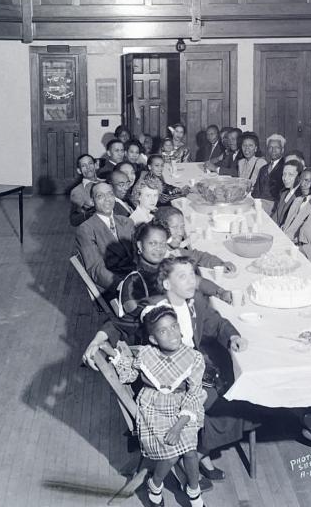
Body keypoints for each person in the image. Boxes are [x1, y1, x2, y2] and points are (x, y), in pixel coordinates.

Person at [83, 256, 255, 484]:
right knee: (239, 400)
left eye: (192, 275)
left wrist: (232, 336)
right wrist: (97, 340)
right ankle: (198, 452)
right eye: (182, 277)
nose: (191, 282)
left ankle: (201, 450)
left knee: (241, 391)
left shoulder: (196, 301)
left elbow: (217, 322)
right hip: (166, 386)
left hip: (191, 369)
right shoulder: (153, 308)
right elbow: (117, 325)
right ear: (166, 284)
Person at [103, 305, 207, 507]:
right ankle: (155, 485)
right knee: (172, 454)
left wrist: (178, 426)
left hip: (183, 409)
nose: (172, 333)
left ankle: (194, 492)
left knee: (190, 452)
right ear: (153, 339)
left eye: (174, 326)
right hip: (153, 408)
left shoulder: (193, 358)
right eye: (163, 331)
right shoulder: (146, 354)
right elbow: (130, 375)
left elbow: (194, 393)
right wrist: (114, 355)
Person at [75, 182, 135, 296]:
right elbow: (95, 269)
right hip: (113, 287)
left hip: (135, 277)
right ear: (92, 201)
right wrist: (122, 285)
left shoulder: (127, 222)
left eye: (110, 194)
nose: (107, 199)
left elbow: (138, 254)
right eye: (100, 196)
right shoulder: (86, 229)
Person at [154, 206, 236, 272]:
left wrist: (220, 264)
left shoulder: (173, 250)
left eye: (182, 227)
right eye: (174, 227)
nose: (180, 232)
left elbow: (198, 256)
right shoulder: (156, 259)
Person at [281, 167, 311, 237]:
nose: (302, 184)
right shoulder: (297, 200)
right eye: (301, 180)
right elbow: (287, 225)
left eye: (307, 180)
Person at [252, 133, 285, 203]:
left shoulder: (286, 168)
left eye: (277, 147)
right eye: (270, 147)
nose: (273, 150)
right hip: (260, 206)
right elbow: (256, 191)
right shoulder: (263, 169)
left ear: (282, 150)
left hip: (275, 208)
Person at [70, 154, 100, 227]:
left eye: (90, 163)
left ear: (96, 165)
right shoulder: (77, 191)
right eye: (83, 166)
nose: (88, 167)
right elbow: (76, 218)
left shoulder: (106, 182)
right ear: (79, 170)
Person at [271, 159, 303, 227]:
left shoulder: (300, 197)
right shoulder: (283, 193)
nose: (285, 178)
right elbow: (275, 218)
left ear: (299, 177)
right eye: (284, 174)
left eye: (290, 175)